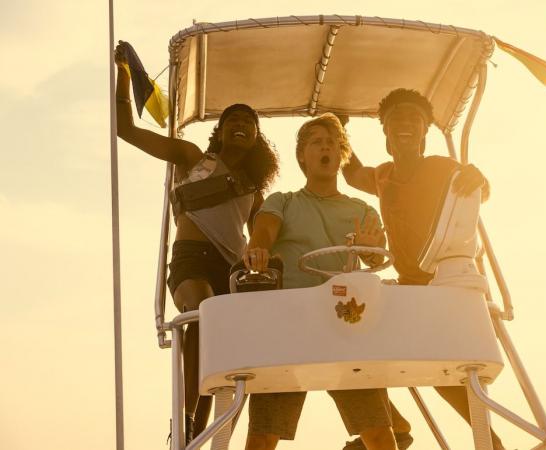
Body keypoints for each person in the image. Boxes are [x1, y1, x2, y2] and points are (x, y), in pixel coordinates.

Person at [114, 43, 280, 443]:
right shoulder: (192, 158)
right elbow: (126, 130)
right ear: (219, 131)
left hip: (229, 270)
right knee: (202, 316)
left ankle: (202, 431)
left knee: (219, 344)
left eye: (248, 122)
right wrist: (122, 73)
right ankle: (184, 421)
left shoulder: (255, 191)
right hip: (190, 260)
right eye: (231, 120)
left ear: (256, 136)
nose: (240, 124)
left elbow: (266, 233)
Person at [342, 88, 506, 450]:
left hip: (441, 286)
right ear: (385, 133)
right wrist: (338, 125)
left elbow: (479, 189)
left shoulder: (440, 168)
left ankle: (491, 443)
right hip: (407, 287)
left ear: (424, 132)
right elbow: (352, 173)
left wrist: (479, 178)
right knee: (351, 339)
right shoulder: (383, 175)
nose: (405, 124)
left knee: (444, 374)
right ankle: (397, 426)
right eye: (396, 118)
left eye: (414, 119)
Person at [241, 113, 397, 450]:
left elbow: (377, 254)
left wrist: (372, 249)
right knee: (263, 434)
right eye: (316, 142)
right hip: (291, 323)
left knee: (380, 434)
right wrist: (258, 250)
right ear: (302, 155)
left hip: (345, 323)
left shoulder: (362, 209)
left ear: (341, 154)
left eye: (332, 143)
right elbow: (264, 231)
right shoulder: (283, 201)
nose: (325, 147)